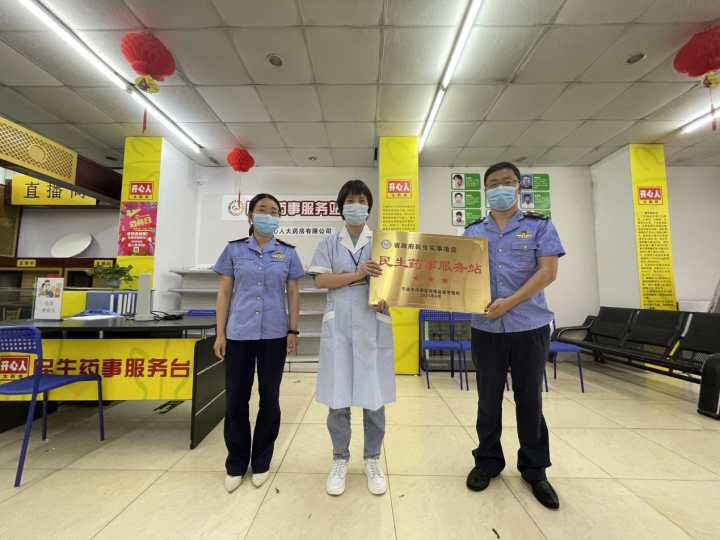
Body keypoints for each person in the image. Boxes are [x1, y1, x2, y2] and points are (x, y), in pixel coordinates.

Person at [463, 162, 565, 510]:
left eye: (507, 182)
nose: (500, 188)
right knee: (487, 400)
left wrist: (509, 303)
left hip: (529, 327)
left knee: (529, 399)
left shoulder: (539, 226)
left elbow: (548, 272)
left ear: (519, 187)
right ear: (485, 191)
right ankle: (487, 461)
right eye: (493, 184)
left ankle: (535, 470)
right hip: (486, 329)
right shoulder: (473, 231)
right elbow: (460, 276)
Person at [308, 179, 395, 497]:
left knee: (374, 397)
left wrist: (388, 296)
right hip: (340, 325)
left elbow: (397, 280)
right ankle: (339, 459)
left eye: (361, 200)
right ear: (341, 207)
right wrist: (358, 275)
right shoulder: (329, 242)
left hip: (373, 323)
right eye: (350, 201)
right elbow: (320, 281)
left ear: (369, 206)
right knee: (338, 396)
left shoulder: (384, 242)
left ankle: (372, 459)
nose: (356, 206)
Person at [213, 193, 304, 493]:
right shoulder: (234, 250)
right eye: (262, 209)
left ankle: (262, 459)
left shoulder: (288, 253)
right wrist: (220, 333)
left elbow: (293, 294)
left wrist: (293, 330)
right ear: (250, 215)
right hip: (239, 334)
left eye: (274, 211)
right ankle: (236, 462)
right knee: (236, 399)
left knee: (270, 397)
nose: (269, 215)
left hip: (274, 335)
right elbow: (224, 293)